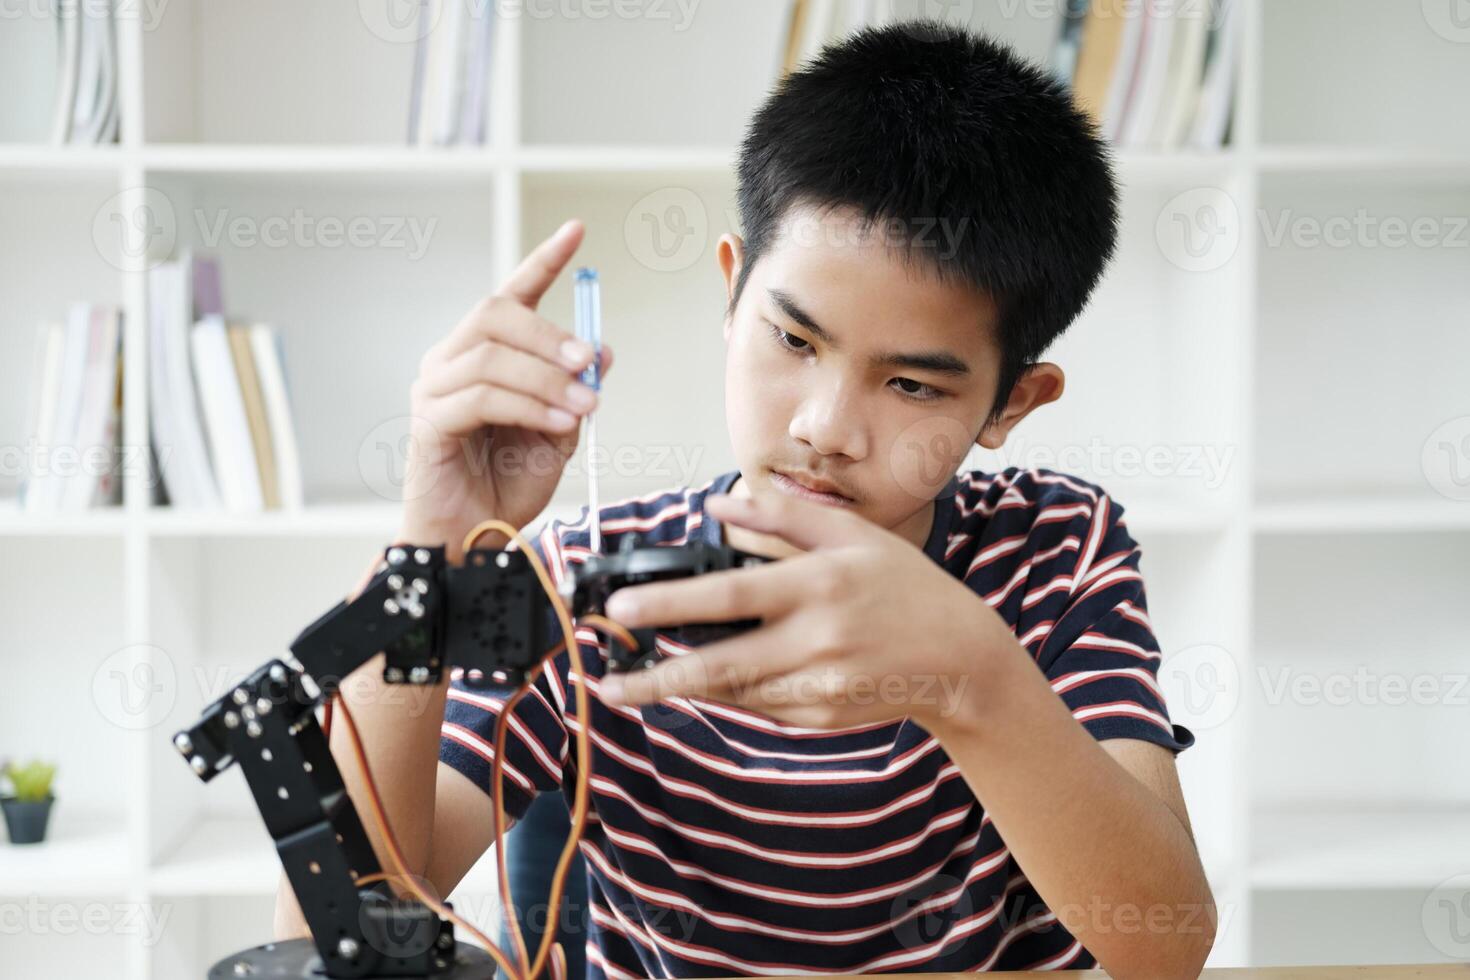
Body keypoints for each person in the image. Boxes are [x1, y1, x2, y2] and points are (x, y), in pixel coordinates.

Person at [278, 20, 1215, 977]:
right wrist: (427, 553)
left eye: (912, 386)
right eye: (795, 342)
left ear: (1011, 401)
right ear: (734, 298)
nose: (825, 427)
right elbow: (336, 935)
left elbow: (1165, 948)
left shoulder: (1055, 548)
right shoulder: (590, 580)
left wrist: (969, 679)